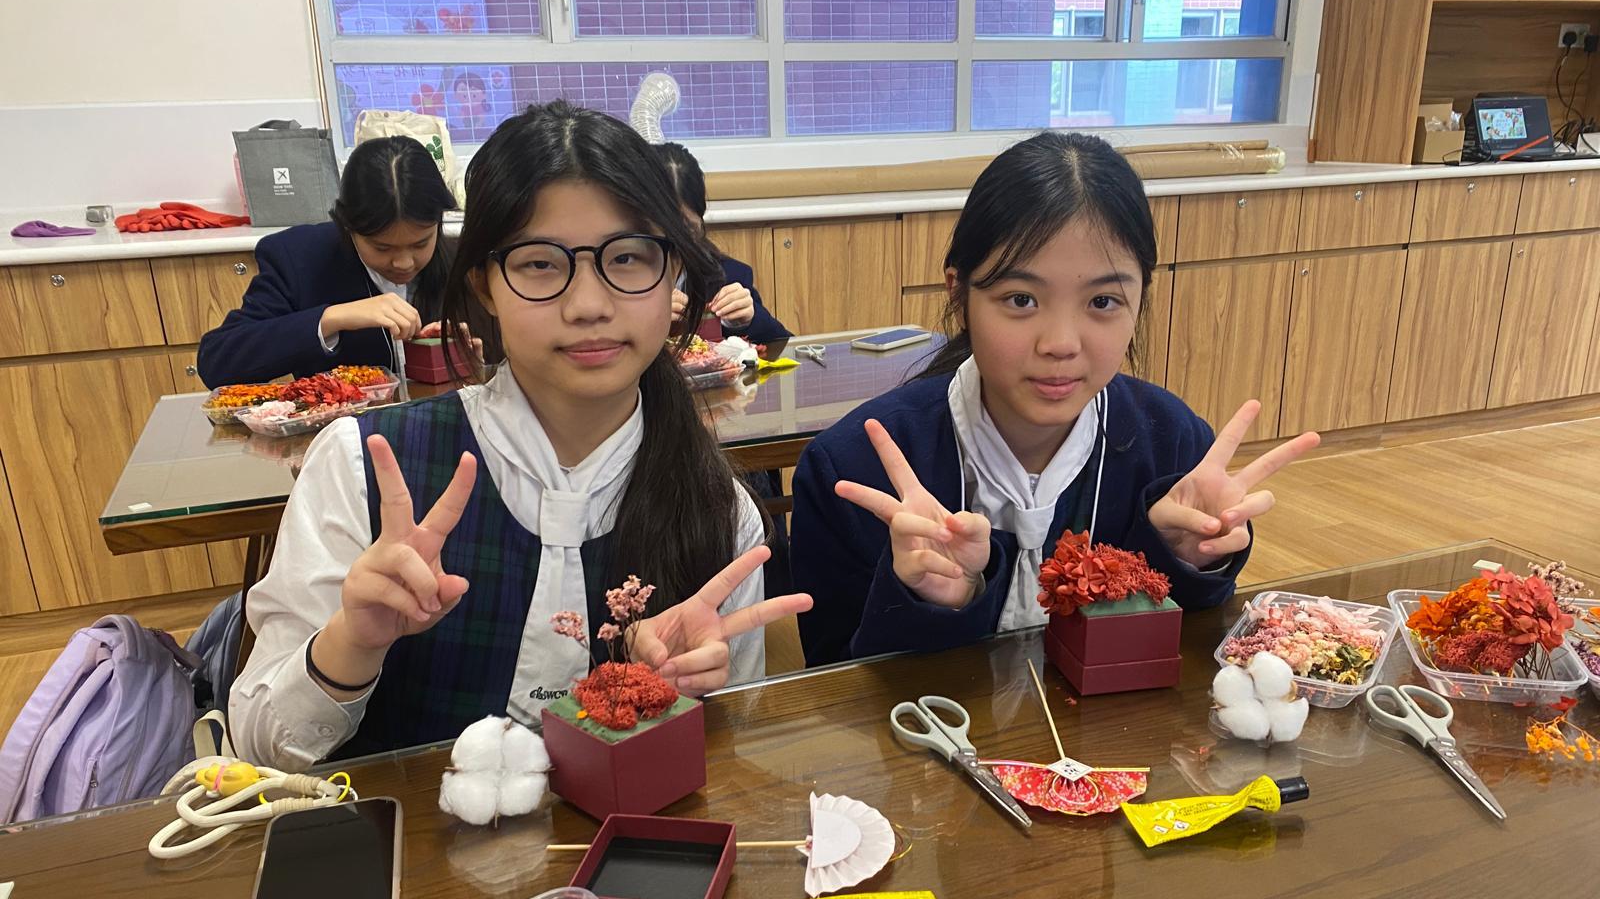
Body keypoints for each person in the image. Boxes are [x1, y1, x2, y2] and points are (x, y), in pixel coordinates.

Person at [230, 101, 811, 767]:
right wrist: (352, 644)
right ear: (484, 284)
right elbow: (260, 748)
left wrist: (684, 700)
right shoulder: (363, 468)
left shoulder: (717, 510)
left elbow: (728, 759)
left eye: (628, 257)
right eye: (540, 264)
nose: (589, 304)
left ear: (672, 271)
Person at [790, 131, 1319, 667]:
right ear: (959, 292)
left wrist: (1187, 561)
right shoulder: (850, 470)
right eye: (1021, 299)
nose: (1061, 344)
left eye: (1103, 301)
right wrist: (930, 602)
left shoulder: (1174, 446)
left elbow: (1192, 659)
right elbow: (828, 682)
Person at [197, 135, 456, 386]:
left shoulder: (459, 258)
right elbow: (216, 362)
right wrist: (330, 319)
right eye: (382, 247)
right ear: (347, 226)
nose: (404, 263)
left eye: (420, 244)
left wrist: (465, 349)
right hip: (346, 417)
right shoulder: (299, 258)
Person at [654, 141, 791, 344]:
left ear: (700, 219)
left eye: (687, 228)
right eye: (664, 227)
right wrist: (645, 321)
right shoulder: (619, 279)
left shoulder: (726, 275)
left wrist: (746, 321)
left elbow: (782, 344)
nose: (677, 240)